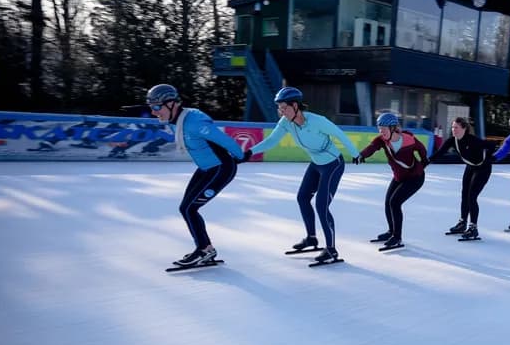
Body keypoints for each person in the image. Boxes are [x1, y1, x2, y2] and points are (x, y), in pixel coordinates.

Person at [244, 87, 360, 265]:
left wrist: (355, 153)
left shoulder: (317, 121)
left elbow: (339, 134)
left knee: (322, 206)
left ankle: (331, 249)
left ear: (295, 106)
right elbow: (272, 140)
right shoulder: (285, 123)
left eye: (284, 108)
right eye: (279, 108)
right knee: (302, 197)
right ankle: (311, 238)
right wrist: (249, 152)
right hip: (316, 164)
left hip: (333, 164)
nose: (281, 112)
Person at [146, 84, 245, 267]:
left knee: (191, 209)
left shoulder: (194, 121)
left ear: (172, 104)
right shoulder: (177, 119)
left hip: (221, 169)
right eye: (151, 107)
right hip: (206, 169)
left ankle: (204, 250)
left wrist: (240, 156)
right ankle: (206, 249)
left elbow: (225, 140)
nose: (154, 112)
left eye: (157, 107)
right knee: (185, 208)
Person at [357, 113, 429, 249]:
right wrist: (361, 155)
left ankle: (397, 237)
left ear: (393, 128)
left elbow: (422, 150)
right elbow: (371, 148)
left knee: (395, 202)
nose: (381, 131)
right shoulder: (381, 140)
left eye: (384, 128)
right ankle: (391, 231)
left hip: (415, 177)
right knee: (387, 202)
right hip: (400, 177)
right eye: (379, 128)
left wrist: (422, 165)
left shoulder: (408, 139)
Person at [432, 117, 495, 240]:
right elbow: (440, 153)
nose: (453, 130)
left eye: (456, 127)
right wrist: (425, 162)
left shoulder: (473, 140)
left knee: (472, 196)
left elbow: (490, 145)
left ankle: (473, 228)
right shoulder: (452, 140)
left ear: (464, 129)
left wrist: (491, 157)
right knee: (464, 194)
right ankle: (462, 223)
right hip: (470, 167)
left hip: (483, 168)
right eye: (452, 127)